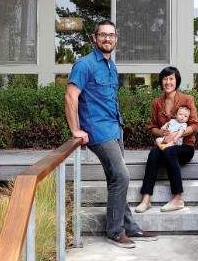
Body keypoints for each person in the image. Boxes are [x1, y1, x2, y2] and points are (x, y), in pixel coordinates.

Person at [65, 20, 157, 248]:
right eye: (103, 35)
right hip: (98, 130)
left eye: (111, 35)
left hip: (115, 129)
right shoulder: (84, 64)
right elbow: (70, 96)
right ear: (94, 38)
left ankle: (129, 226)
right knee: (122, 177)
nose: (107, 38)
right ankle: (115, 231)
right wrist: (75, 129)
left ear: (116, 38)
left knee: (117, 179)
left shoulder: (111, 66)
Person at [136, 66, 198, 213]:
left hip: (185, 147)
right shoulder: (156, 103)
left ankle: (178, 198)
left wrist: (178, 134)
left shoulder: (187, 99)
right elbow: (152, 127)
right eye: (165, 79)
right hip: (166, 146)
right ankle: (146, 199)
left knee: (169, 150)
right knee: (154, 152)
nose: (168, 82)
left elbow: (195, 125)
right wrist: (161, 132)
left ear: (176, 81)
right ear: (161, 82)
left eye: (171, 78)